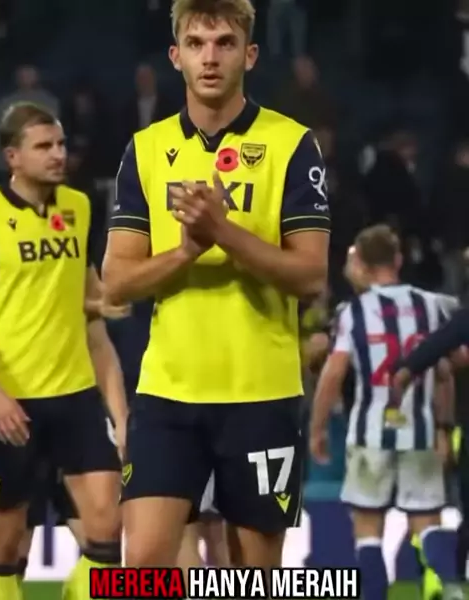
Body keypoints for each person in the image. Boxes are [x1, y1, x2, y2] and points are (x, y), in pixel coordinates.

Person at [103, 0, 329, 571]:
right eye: (197, 44)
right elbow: (117, 282)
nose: (210, 58)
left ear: (249, 55)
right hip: (168, 393)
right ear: (175, 56)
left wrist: (222, 231)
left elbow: (311, 275)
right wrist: (187, 250)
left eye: (225, 43)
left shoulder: (291, 144)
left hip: (261, 392)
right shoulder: (146, 149)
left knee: (254, 574)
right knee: (142, 566)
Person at [0, 102, 123, 600]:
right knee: (3, 548)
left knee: (108, 526)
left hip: (75, 393)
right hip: (11, 401)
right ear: (12, 157)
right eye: (44, 146)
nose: (58, 154)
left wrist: (119, 412)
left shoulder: (79, 207)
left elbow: (90, 307)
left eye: (61, 144)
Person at [309, 224, 463, 600]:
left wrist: (317, 428)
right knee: (427, 523)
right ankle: (453, 590)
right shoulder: (431, 305)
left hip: (370, 432)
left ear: (360, 263)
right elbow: (449, 368)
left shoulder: (353, 311)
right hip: (421, 430)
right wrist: (443, 427)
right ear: (398, 259)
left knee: (368, 529)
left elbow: (333, 374)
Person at [19, 313, 127, 582]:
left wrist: (121, 420)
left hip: (78, 406)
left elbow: (98, 340)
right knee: (7, 547)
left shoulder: (80, 288)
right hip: (14, 405)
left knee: (108, 537)